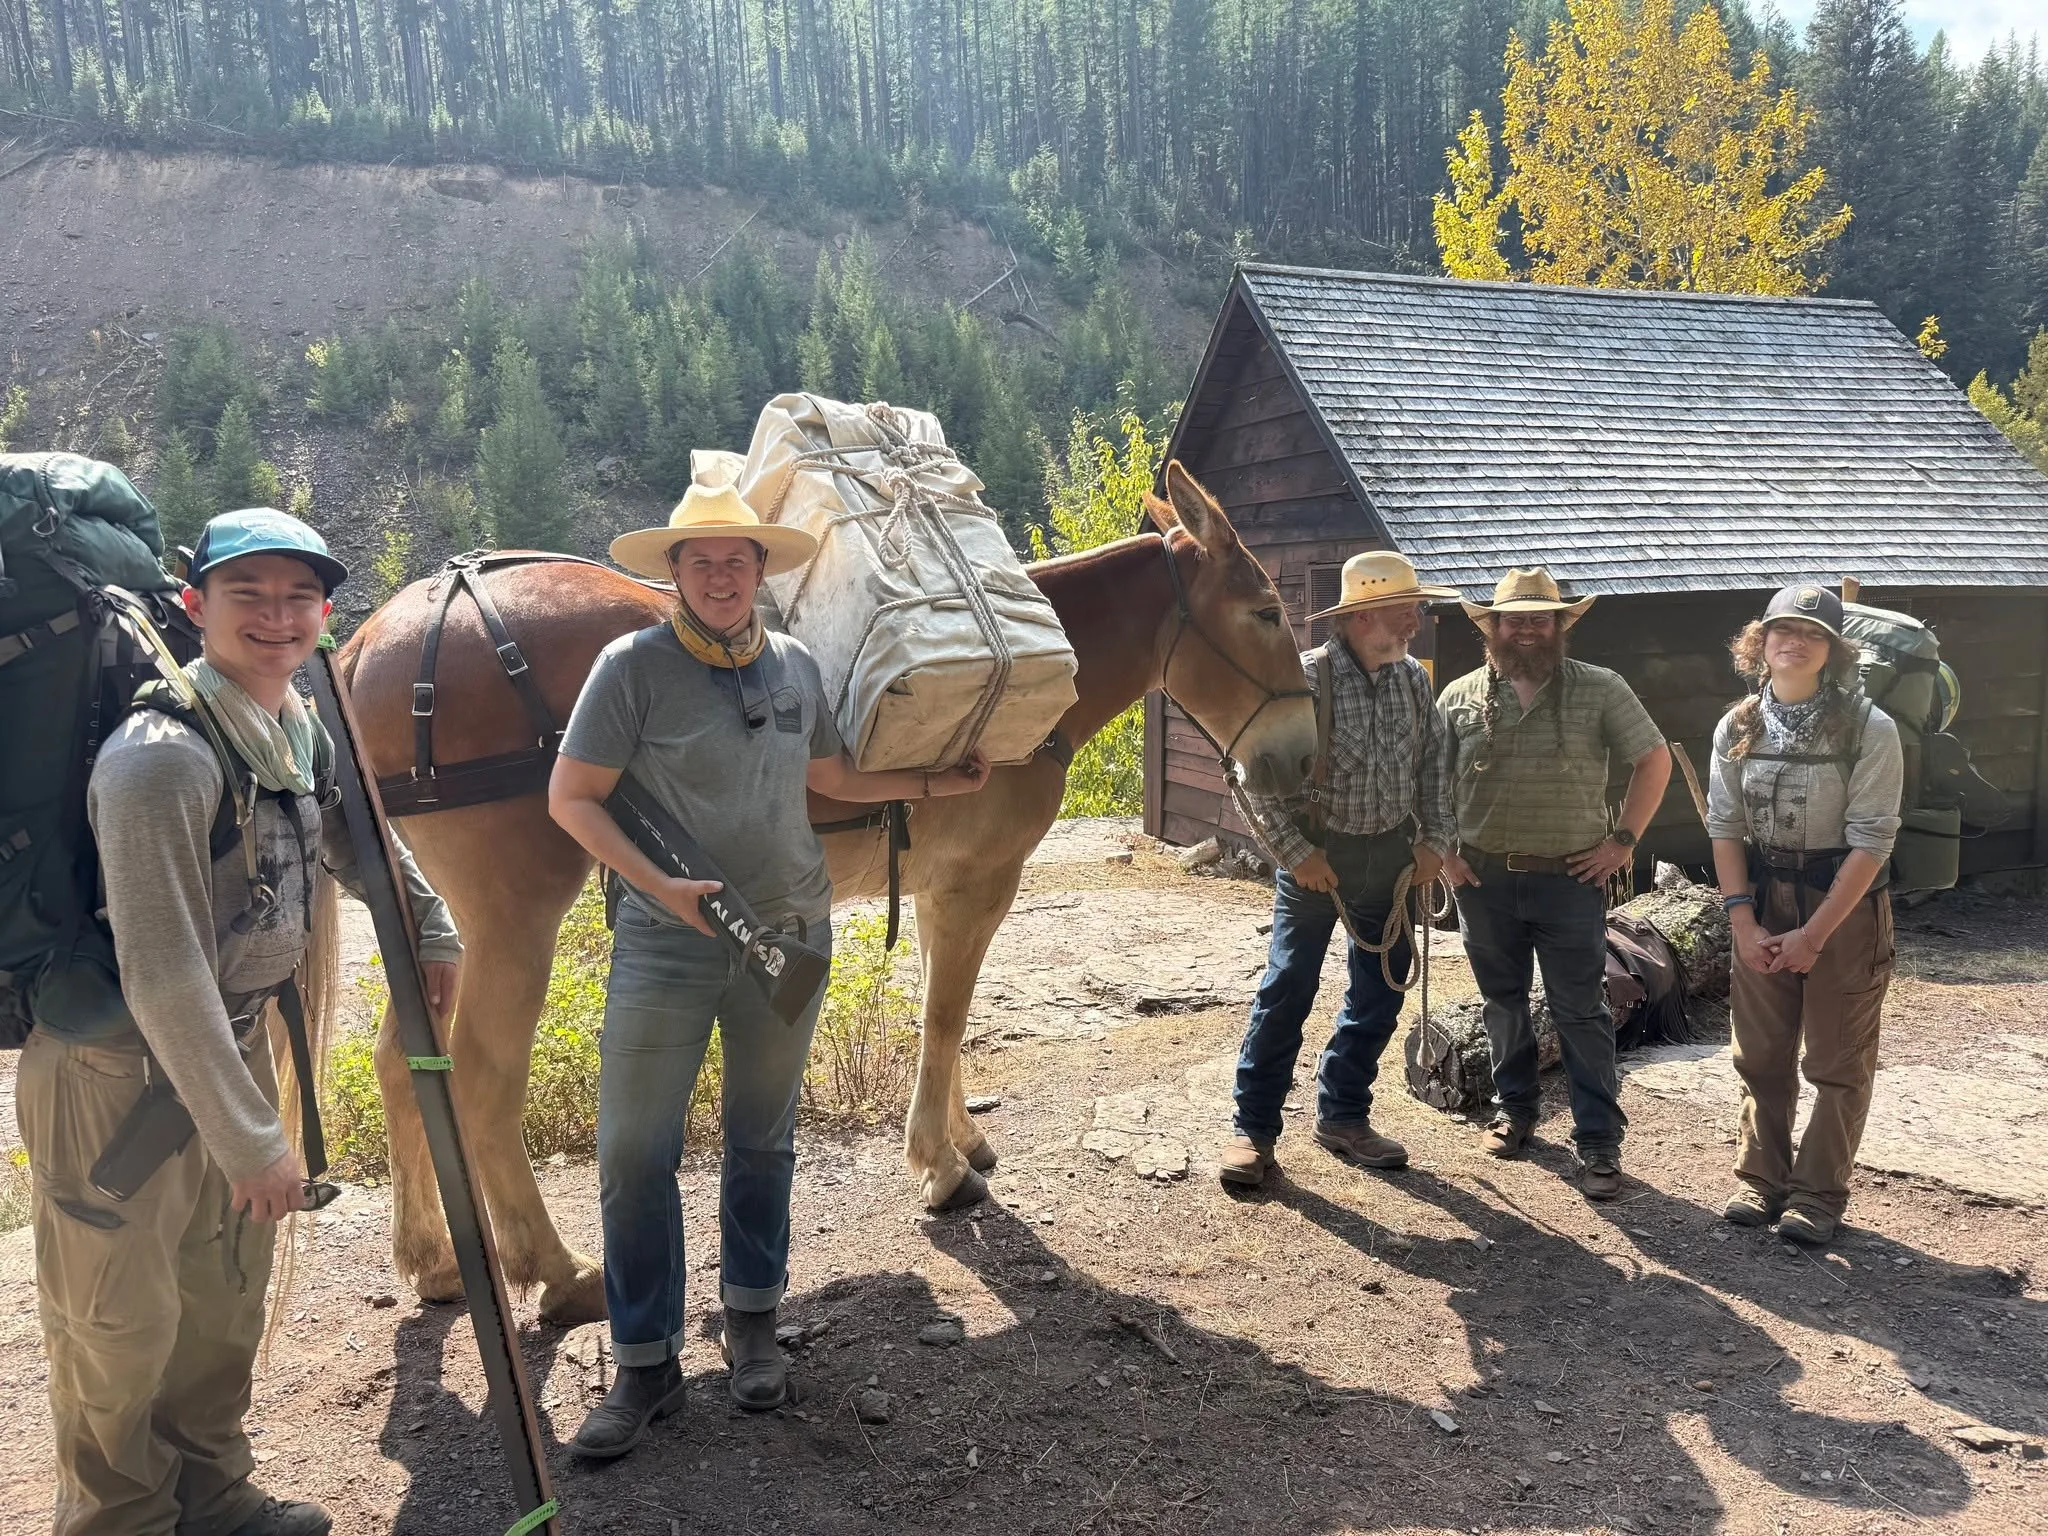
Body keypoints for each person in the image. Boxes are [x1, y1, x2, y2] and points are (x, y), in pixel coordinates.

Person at [18, 508, 463, 1536]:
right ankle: (118, 1521)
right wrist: (254, 1139)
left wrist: (432, 929)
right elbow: (163, 972)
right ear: (193, 605)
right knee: (116, 1326)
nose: (276, 616)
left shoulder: (290, 721)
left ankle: (212, 1496)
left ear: (324, 609)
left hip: (229, 1048)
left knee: (221, 1298)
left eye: (297, 595)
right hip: (118, 1077)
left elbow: (353, 837)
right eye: (247, 595)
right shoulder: (158, 757)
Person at [548, 477, 990, 1459]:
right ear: (674, 571)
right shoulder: (630, 668)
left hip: (789, 933)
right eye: (700, 560)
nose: (718, 575)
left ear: (760, 572)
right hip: (666, 945)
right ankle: (646, 1364)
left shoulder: (791, 666)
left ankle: (752, 1322)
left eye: (735, 560)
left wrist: (936, 781)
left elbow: (830, 776)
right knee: (631, 1152)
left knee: (762, 1138)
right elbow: (571, 798)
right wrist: (655, 889)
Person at [1218, 551, 1459, 1188]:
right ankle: (1254, 1130)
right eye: (1404, 610)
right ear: (1363, 616)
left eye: (1415, 609)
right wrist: (1300, 858)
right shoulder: (1304, 679)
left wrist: (1435, 840)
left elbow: (1434, 766)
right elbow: (1256, 783)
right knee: (1287, 989)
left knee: (1381, 991)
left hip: (1393, 859)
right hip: (1317, 862)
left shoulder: (1413, 679)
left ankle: (1344, 1115)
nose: (1415, 621)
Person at [1438, 567, 1671, 1201]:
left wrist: (1621, 842)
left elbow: (1654, 760)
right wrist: (1441, 854)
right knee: (1502, 1004)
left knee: (1582, 1011)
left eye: (1540, 619)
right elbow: (1427, 781)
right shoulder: (1458, 697)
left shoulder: (1600, 690)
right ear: (1492, 627)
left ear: (1559, 626)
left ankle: (1598, 1143)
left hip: (1571, 879)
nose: (1527, 630)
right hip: (1481, 880)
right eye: (1514, 619)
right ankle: (1515, 1112)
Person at [1707, 583, 1902, 1245]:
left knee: (1837, 1062)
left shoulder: (1869, 728)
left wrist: (1815, 935)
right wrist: (1744, 923)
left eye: (1811, 634)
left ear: (1833, 651)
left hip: (1842, 905)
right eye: (1779, 630)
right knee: (1760, 1054)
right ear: (1758, 642)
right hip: (1761, 899)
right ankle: (1761, 1179)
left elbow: (1874, 839)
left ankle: (1817, 1196)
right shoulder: (1736, 726)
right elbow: (1726, 827)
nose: (1792, 642)